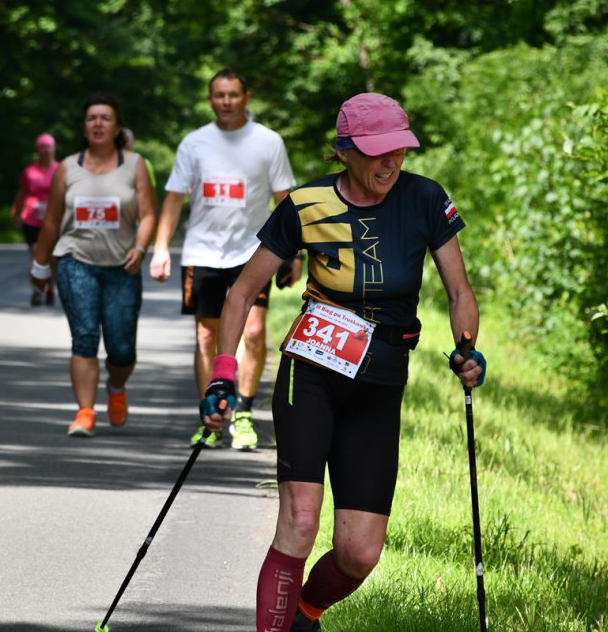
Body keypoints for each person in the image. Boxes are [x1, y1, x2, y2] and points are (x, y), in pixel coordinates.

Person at [196, 93, 486, 631]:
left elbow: (458, 290)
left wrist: (467, 348)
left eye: (399, 149)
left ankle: (305, 612)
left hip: (379, 384)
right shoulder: (306, 205)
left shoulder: (425, 199)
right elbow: (240, 295)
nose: (391, 162)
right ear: (344, 151)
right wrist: (224, 373)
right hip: (310, 376)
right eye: (377, 151)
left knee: (359, 553)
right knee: (300, 523)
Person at [149, 68, 299, 451]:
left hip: (254, 252)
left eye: (233, 94)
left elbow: (285, 201)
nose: (226, 102)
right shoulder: (194, 144)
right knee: (206, 335)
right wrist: (162, 246)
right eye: (219, 95)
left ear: (246, 97)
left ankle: (244, 412)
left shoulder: (268, 142)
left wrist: (295, 254)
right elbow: (173, 198)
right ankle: (211, 414)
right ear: (209, 98)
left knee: (252, 332)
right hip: (203, 251)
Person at [30, 93, 157, 437]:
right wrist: (40, 266)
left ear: (117, 127)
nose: (98, 123)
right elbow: (53, 222)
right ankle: (85, 412)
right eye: (91, 118)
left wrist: (142, 248)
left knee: (121, 347)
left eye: (105, 118)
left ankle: (116, 388)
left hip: (122, 267)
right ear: (84, 127)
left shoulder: (135, 164)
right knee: (84, 337)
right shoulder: (67, 168)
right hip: (76, 262)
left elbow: (147, 215)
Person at [12, 133, 60, 306]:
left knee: (53, 257)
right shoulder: (29, 172)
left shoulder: (60, 169)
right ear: (37, 150)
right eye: (43, 147)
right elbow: (22, 193)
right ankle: (36, 290)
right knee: (36, 255)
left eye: (49, 147)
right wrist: (16, 213)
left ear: (54, 149)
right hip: (32, 219)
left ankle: (50, 289)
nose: (46, 151)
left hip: (54, 219)